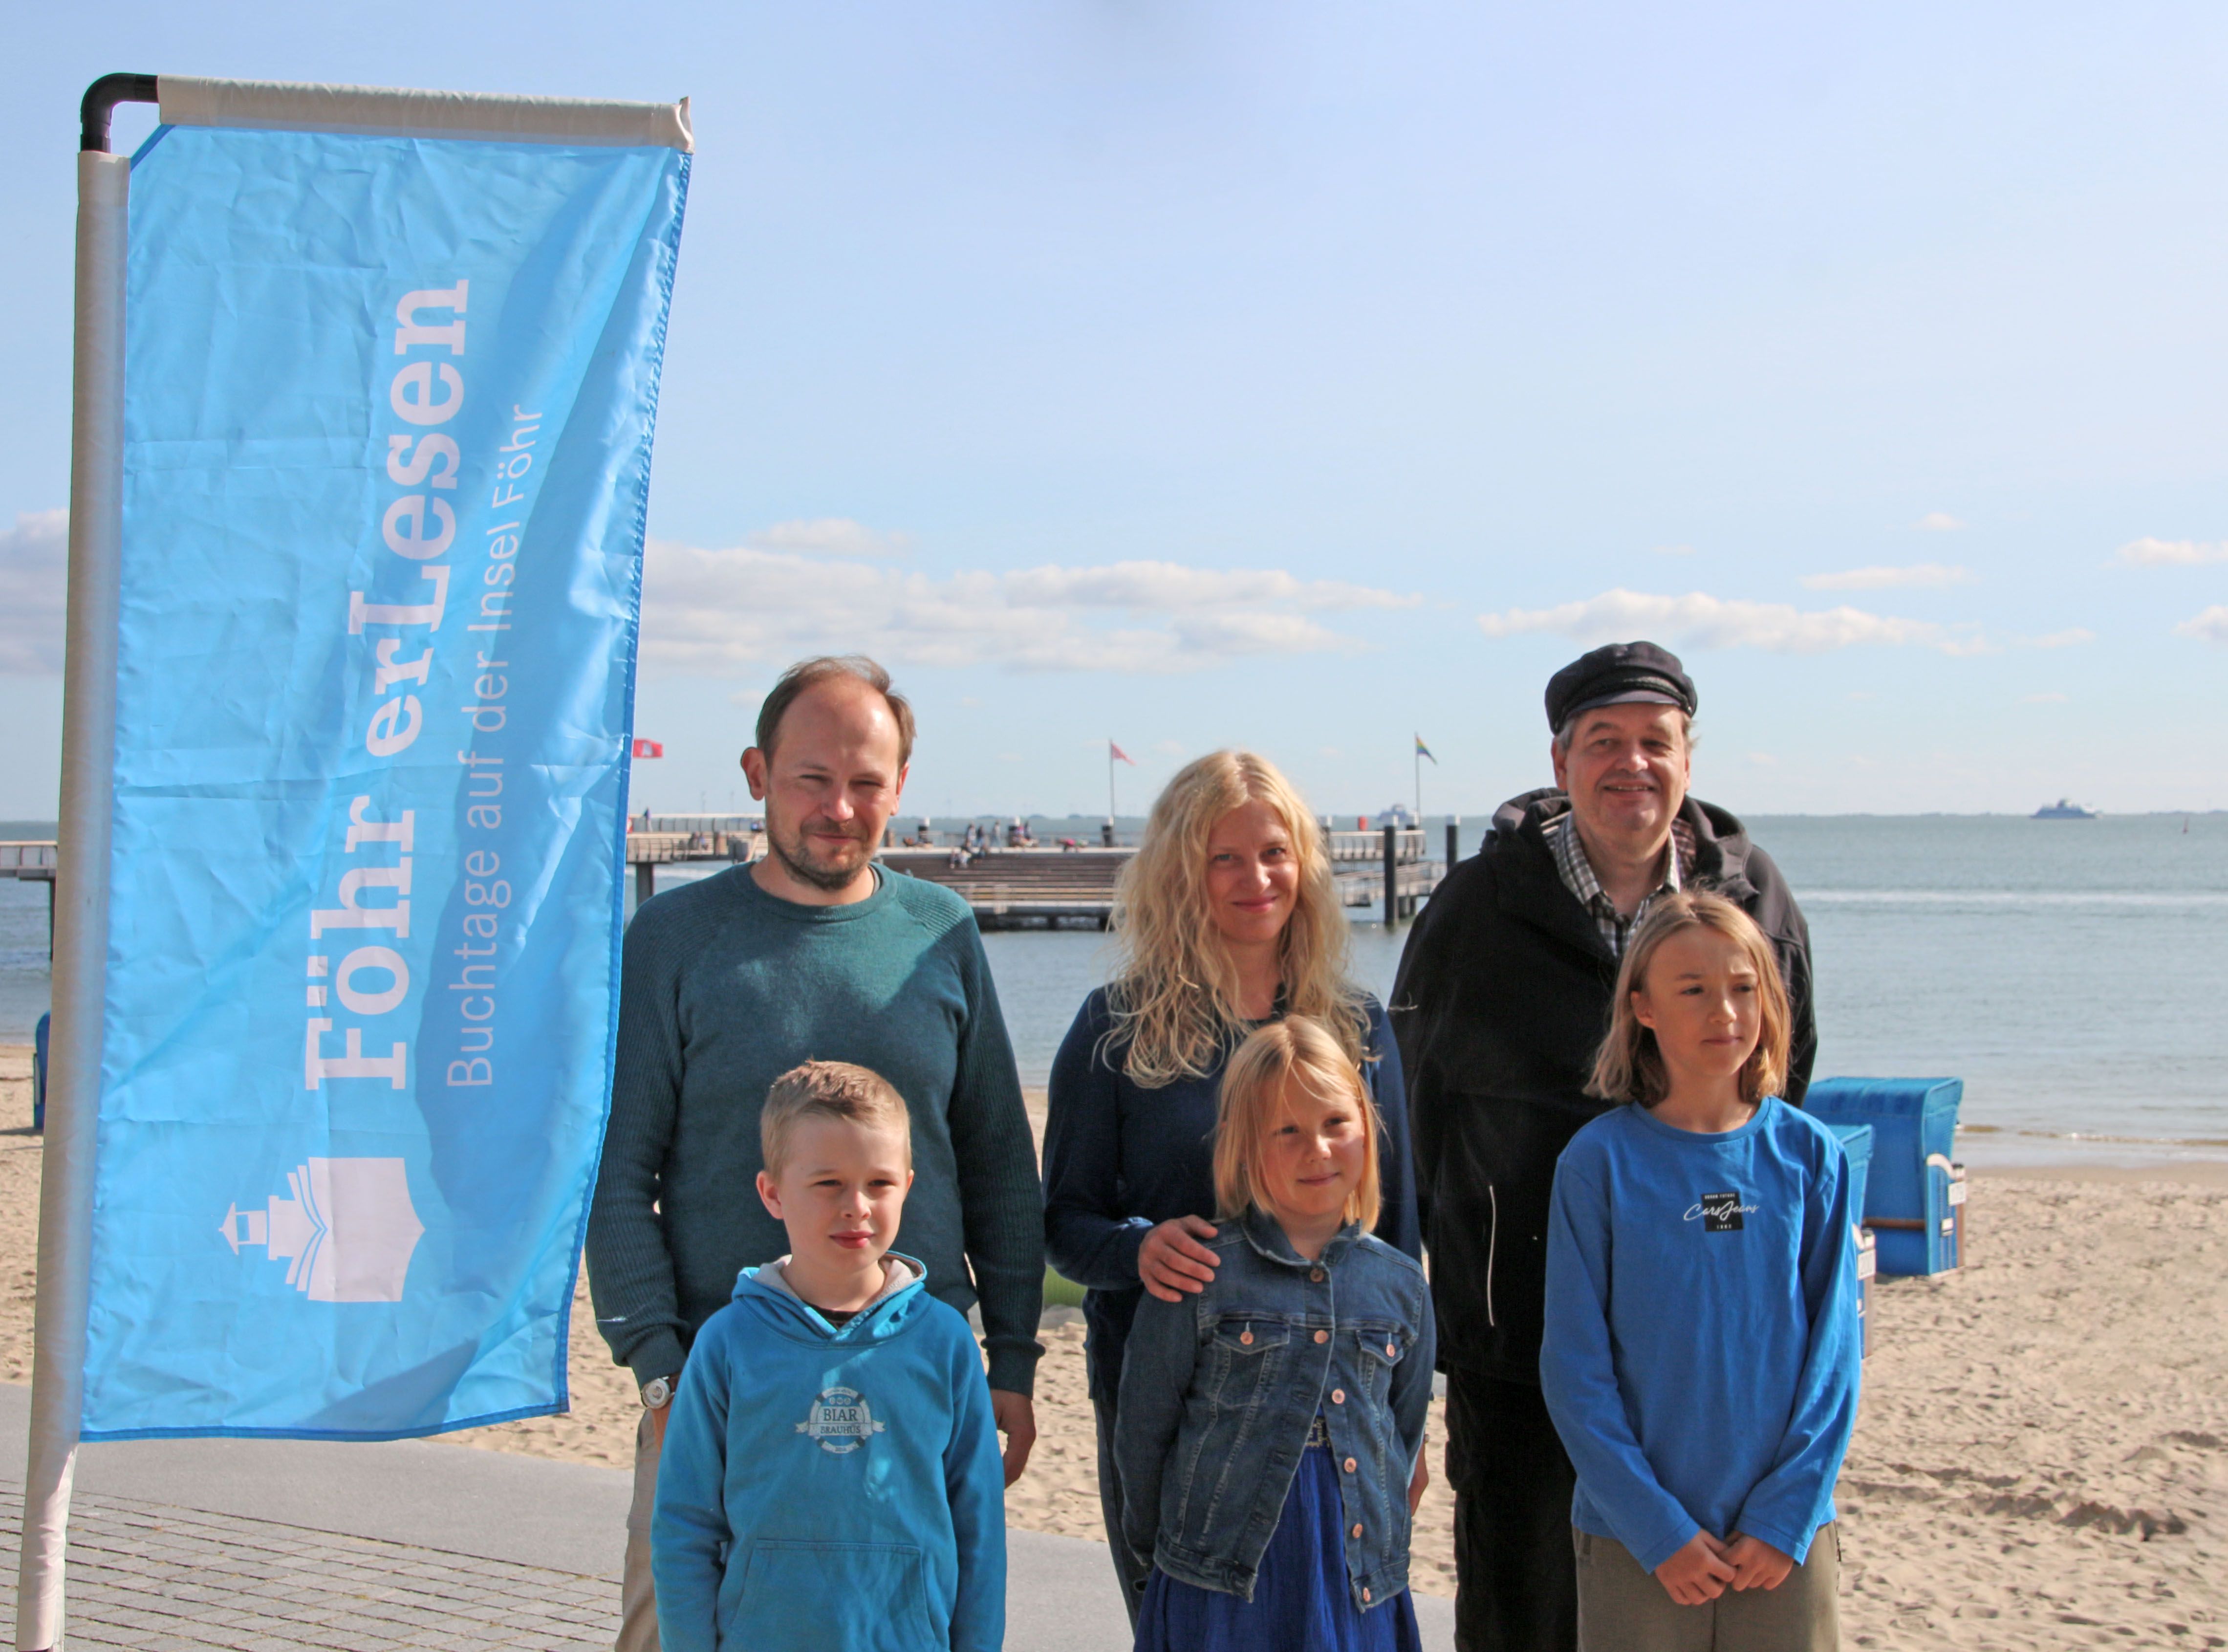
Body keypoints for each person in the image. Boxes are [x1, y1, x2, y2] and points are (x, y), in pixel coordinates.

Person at [588, 654, 1043, 1652]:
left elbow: (1001, 1165)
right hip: (719, 1388)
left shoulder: (940, 933)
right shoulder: (673, 937)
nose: (839, 806)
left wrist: (1008, 1360)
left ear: (899, 789)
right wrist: (661, 1370)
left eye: (866, 781)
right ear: (756, 773)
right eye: (811, 777)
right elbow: (617, 1174)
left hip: (908, 1380)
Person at [1391, 639, 1816, 1652]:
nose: (1630, 764)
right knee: (1524, 1605)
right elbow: (1406, 1118)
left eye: (1652, 742)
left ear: (1686, 754)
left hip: (1699, 1354)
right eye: (1602, 743)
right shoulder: (1474, 909)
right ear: (1558, 761)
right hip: (1518, 1343)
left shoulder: (1751, 898)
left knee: (1686, 1603)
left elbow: (1778, 1095)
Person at [1042, 750, 1422, 1616]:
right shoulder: (1116, 1029)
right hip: (1171, 1405)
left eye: (1274, 852)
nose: (1255, 878)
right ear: (1181, 874)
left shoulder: (1357, 1028)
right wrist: (1138, 1249)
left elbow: (1394, 1236)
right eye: (1223, 857)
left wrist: (1405, 1423)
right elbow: (1062, 1223)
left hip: (1338, 1418)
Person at [1539, 893, 1859, 1651]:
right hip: (1637, 1538)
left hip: (1781, 1540)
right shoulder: (1597, 1164)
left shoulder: (1812, 1158)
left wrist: (1784, 1516)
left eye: (1742, 987)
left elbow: (1834, 1359)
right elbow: (1573, 1370)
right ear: (1642, 1006)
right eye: (1692, 989)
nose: (1723, 1010)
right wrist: (1658, 1530)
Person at [650, 1061, 1006, 1652]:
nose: (857, 1206)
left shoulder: (944, 1341)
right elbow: (684, 1525)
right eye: (827, 1183)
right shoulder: (728, 1341)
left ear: (909, 1187)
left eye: (879, 1183)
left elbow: (979, 1527)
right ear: (772, 1193)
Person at [1116, 1018, 1435, 1652]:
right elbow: (1144, 1430)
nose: (1316, 1150)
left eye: (1334, 1124)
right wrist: (1166, 1553)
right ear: (1244, 1146)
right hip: (1220, 1576)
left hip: (1354, 1575)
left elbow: (1403, 1427)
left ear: (1367, 1133)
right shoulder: (1200, 1274)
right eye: (1286, 1131)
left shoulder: (1400, 1285)